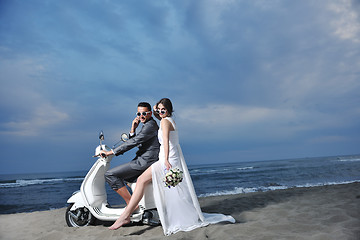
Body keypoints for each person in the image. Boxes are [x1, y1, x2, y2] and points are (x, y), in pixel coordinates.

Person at [108, 98, 235, 235]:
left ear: (168, 110)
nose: (161, 112)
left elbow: (167, 142)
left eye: (164, 110)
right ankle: (129, 213)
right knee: (163, 187)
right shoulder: (168, 120)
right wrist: (156, 109)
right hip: (168, 158)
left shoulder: (164, 122)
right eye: (159, 110)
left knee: (141, 180)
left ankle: (126, 216)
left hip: (166, 159)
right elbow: (161, 121)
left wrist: (166, 160)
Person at [100, 102, 160, 205]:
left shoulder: (150, 126)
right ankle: (141, 203)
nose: (141, 116)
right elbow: (138, 142)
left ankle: (131, 204)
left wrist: (111, 152)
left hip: (145, 161)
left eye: (144, 113)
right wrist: (133, 129)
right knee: (127, 178)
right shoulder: (148, 125)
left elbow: (133, 142)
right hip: (144, 159)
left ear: (150, 113)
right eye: (138, 114)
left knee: (110, 174)